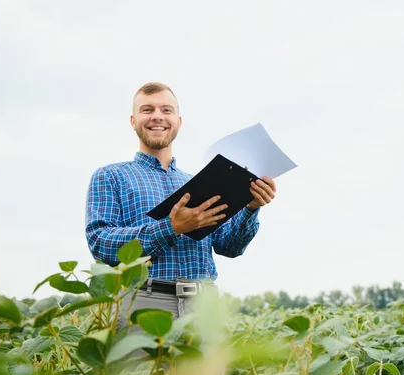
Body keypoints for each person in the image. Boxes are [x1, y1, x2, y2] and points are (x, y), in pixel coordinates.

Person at [85, 82, 277, 322]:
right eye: (147, 110)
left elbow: (229, 246)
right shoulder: (110, 176)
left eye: (166, 110)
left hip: (204, 305)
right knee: (142, 363)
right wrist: (172, 227)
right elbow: (100, 243)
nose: (157, 117)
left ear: (178, 121)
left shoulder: (201, 182)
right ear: (133, 121)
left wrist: (250, 207)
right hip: (144, 301)